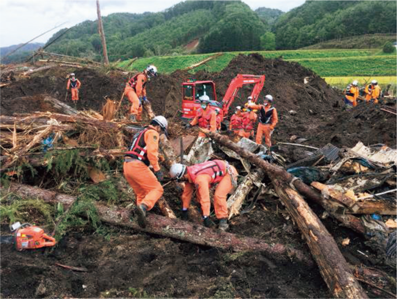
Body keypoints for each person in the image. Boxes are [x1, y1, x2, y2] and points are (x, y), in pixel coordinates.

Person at [123, 115, 168, 228]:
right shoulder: (153, 133)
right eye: (161, 131)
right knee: (157, 189)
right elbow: (151, 153)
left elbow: (142, 149)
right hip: (137, 166)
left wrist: (158, 158)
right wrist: (157, 170)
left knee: (141, 193)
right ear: (158, 127)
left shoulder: (140, 132)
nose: (160, 133)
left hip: (127, 166)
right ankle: (144, 207)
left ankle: (140, 217)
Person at [169, 160, 238, 231]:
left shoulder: (200, 179)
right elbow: (186, 195)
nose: (180, 181)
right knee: (199, 192)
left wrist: (206, 216)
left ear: (182, 176)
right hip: (222, 169)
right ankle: (202, 211)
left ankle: (223, 220)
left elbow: (205, 198)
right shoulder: (190, 173)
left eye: (179, 179)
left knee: (219, 195)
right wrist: (184, 210)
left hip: (229, 173)